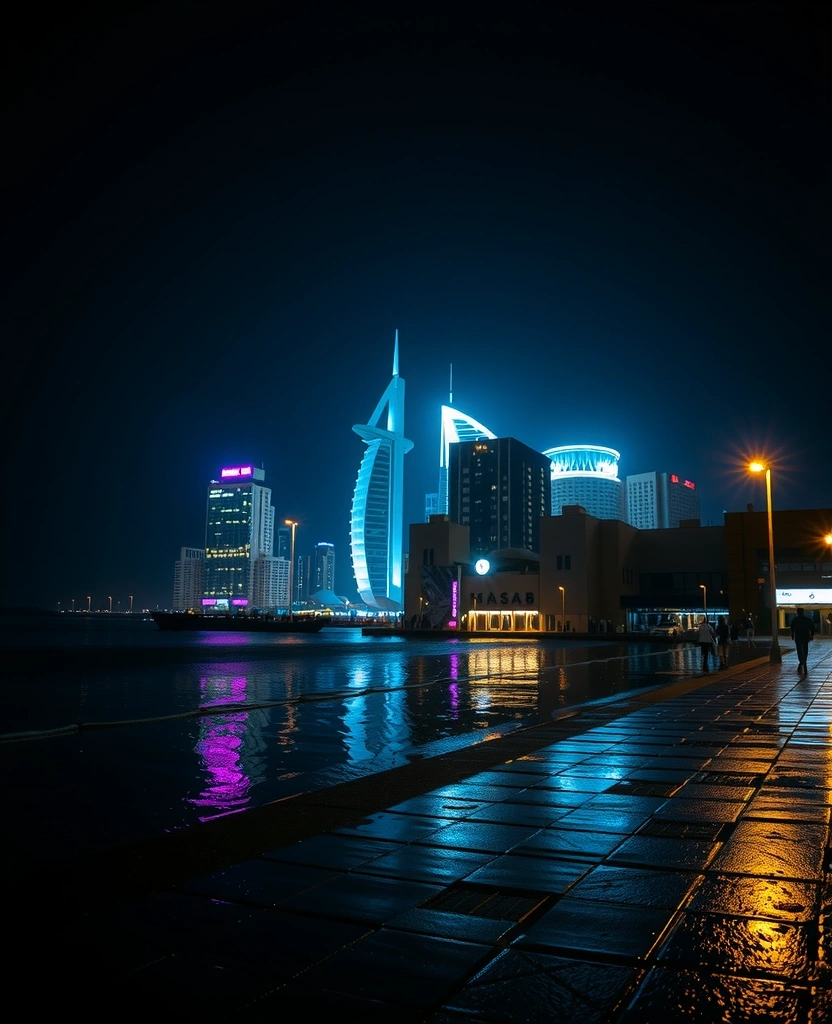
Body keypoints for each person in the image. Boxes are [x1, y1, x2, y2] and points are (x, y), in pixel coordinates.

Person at [791, 607, 815, 673]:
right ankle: (804, 661)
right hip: (805, 635)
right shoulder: (807, 619)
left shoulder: (795, 620)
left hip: (798, 636)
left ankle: (801, 661)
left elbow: (792, 628)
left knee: (799, 649)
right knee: (805, 648)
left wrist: (792, 635)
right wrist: (812, 635)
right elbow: (812, 627)